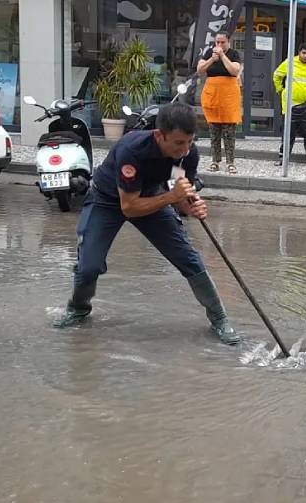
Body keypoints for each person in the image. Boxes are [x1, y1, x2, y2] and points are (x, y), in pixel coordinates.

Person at [52, 103, 242, 346]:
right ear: (159, 135)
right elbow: (129, 207)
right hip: (108, 200)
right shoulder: (132, 150)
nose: (184, 150)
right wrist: (173, 198)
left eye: (189, 142)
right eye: (178, 143)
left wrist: (193, 207)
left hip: (153, 197)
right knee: (89, 266)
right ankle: (78, 308)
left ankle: (220, 319)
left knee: (188, 258)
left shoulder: (187, 155)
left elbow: (179, 195)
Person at [197, 31, 243, 175]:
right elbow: (200, 70)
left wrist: (222, 56)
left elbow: (235, 71)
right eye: (217, 42)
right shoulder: (209, 53)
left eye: (222, 42)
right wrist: (212, 59)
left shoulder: (234, 54)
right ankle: (215, 161)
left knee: (229, 132)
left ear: (228, 42)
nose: (219, 45)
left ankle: (230, 162)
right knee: (214, 132)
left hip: (228, 98)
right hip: (213, 97)